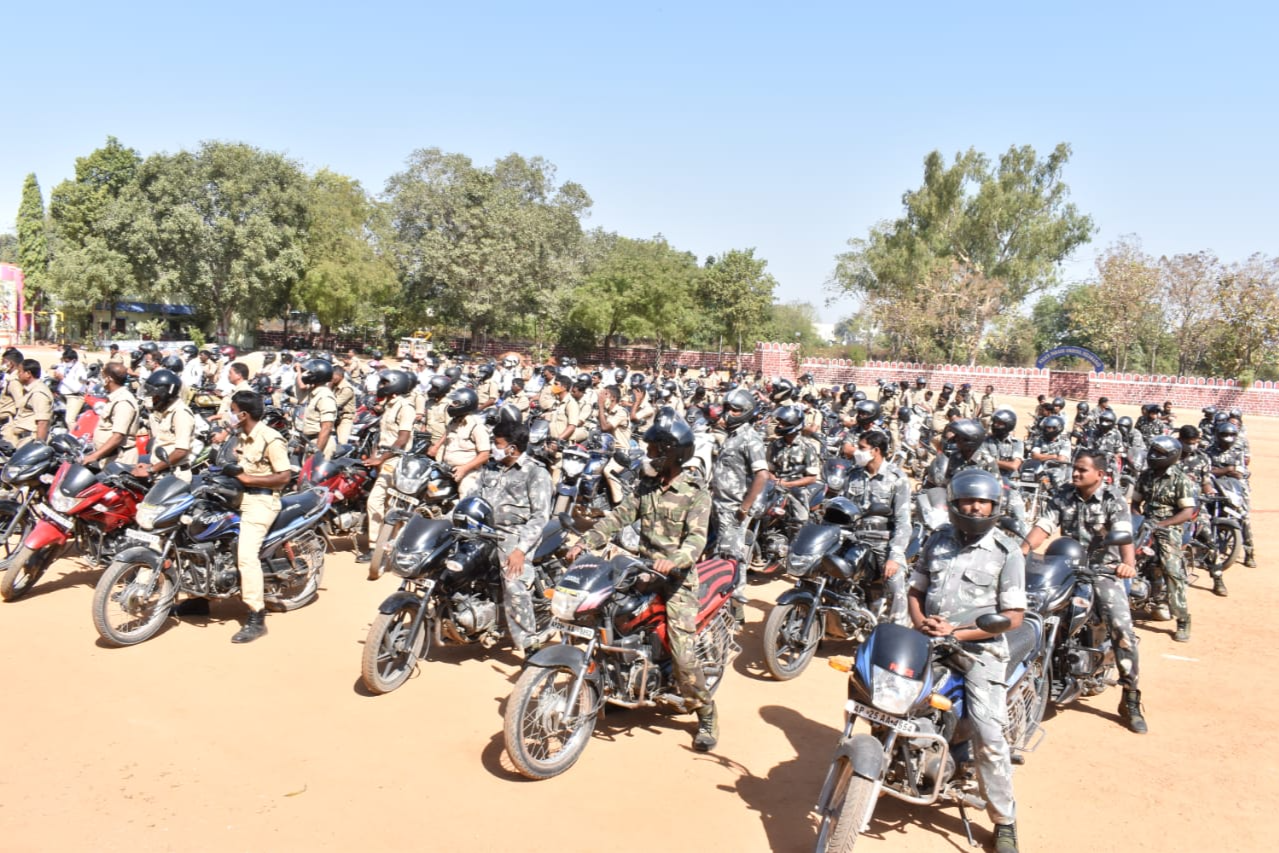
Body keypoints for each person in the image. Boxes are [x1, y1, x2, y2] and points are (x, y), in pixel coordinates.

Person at [566, 408, 717, 751]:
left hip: (677, 579)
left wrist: (673, 560)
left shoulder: (696, 493)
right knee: (608, 617)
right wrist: (584, 542)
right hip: (642, 571)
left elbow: (696, 541)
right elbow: (618, 517)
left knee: (683, 652)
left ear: (671, 453)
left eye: (652, 450)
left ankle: (706, 713)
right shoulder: (646, 486)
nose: (646, 455)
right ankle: (613, 684)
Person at [908, 469, 1025, 853]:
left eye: (983, 502)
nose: (974, 507)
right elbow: (916, 589)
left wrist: (956, 634)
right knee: (891, 694)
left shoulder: (1006, 552)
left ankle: (1004, 819)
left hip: (980, 650)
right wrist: (921, 621)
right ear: (954, 504)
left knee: (989, 735)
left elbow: (1013, 618)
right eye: (967, 501)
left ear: (994, 506)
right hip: (929, 639)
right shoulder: (937, 540)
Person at [1023, 449, 1144, 733]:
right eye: (1074, 469)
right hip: (1063, 566)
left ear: (1099, 474)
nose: (1075, 474)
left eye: (1082, 470)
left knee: (1121, 627)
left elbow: (1124, 533)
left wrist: (1128, 563)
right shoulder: (1063, 493)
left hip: (1102, 570)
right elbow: (1044, 525)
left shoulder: (1113, 499)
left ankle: (1131, 696)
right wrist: (1023, 550)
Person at [476, 419, 552, 656]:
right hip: (483, 529)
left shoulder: (535, 472)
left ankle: (530, 644)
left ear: (512, 447)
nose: (494, 447)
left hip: (515, 535)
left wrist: (520, 550)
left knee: (513, 583)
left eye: (497, 443)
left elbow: (540, 517)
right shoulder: (490, 467)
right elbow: (472, 497)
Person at [221, 390, 292, 643]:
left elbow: (284, 476)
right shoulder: (240, 435)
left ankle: (256, 615)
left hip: (261, 500)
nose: (230, 414)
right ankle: (199, 599)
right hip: (236, 497)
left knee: (246, 556)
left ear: (243, 413)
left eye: (232, 409)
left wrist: (247, 478)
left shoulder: (270, 438)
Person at [1131, 437, 1197, 641]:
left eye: (1158, 453)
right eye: (1152, 451)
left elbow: (1187, 512)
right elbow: (1134, 503)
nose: (1153, 456)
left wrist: (1160, 525)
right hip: (1144, 525)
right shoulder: (1145, 476)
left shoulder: (1180, 480)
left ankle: (1183, 619)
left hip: (1169, 528)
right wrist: (1137, 519)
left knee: (1171, 569)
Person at [846, 430, 912, 624]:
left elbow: (903, 522)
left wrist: (894, 557)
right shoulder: (854, 475)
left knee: (897, 590)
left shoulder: (897, 478)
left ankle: (896, 633)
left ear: (875, 450)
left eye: (862, 448)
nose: (857, 451)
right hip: (855, 539)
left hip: (882, 542)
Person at [358, 370, 418, 572]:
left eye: (385, 382)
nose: (381, 385)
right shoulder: (388, 405)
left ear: (395, 384)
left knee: (390, 506)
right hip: (384, 459)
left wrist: (381, 458)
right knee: (378, 503)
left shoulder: (405, 407)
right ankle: (376, 547)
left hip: (396, 461)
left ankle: (389, 548)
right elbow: (383, 436)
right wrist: (375, 456)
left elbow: (402, 439)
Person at [709, 388, 769, 569]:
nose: (729, 414)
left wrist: (744, 508)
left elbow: (762, 474)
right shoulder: (732, 435)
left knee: (730, 558)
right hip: (720, 503)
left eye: (735, 410)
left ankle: (733, 593)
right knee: (719, 551)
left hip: (733, 507)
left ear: (746, 412)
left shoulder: (750, 438)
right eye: (727, 409)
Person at [133, 369, 196, 482]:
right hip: (163, 472)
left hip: (175, 476)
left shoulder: (180, 414)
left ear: (164, 395)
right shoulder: (168, 412)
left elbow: (181, 451)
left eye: (154, 396)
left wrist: (151, 469)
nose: (152, 400)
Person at [767, 405, 821, 534]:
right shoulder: (775, 445)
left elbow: (812, 477)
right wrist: (774, 480)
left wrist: (788, 484)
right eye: (779, 422)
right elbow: (768, 469)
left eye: (783, 423)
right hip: (774, 486)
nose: (779, 426)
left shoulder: (807, 447)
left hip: (796, 488)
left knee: (801, 519)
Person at [1207, 422, 1255, 568]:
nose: (1227, 438)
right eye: (1224, 435)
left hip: (1235, 486)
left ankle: (1249, 552)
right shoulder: (1210, 450)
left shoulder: (1238, 451)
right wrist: (1228, 469)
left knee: (1244, 517)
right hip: (1214, 485)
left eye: (1231, 435)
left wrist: (1221, 470)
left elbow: (1240, 473)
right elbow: (1207, 470)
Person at [429, 387, 491, 497]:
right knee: (429, 489)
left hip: (468, 472)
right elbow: (447, 433)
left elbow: (485, 455)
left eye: (455, 403)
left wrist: (464, 469)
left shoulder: (476, 426)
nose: (451, 405)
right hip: (446, 468)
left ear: (466, 404)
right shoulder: (454, 421)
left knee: (465, 495)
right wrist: (436, 446)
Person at [82, 364, 140, 466]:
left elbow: (117, 436)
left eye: (103, 377)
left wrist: (93, 456)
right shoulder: (114, 398)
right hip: (108, 457)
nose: (102, 380)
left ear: (108, 379)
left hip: (119, 460)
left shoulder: (123, 402)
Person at [4, 359, 53, 447]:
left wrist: (38, 446)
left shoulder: (39, 393)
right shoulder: (30, 390)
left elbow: (43, 422)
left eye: (20, 372)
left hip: (29, 441)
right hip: (19, 438)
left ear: (28, 374)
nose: (18, 375)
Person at [297, 358, 337, 458]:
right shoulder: (314, 393)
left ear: (318, 376)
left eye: (310, 372)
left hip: (321, 443)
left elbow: (327, 426)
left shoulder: (324, 396)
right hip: (311, 442)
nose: (307, 375)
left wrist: (317, 453)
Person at [53, 347, 88, 427]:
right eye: (64, 361)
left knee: (69, 420)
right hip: (62, 396)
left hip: (75, 397)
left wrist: (62, 379)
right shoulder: (66, 367)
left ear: (74, 360)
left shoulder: (80, 370)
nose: (65, 363)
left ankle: (75, 438)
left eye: (67, 361)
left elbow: (76, 388)